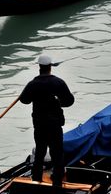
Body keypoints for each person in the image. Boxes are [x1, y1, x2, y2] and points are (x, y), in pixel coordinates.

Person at [21, 53, 75, 186]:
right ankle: (57, 180)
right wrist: (57, 101)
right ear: (50, 67)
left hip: (39, 125)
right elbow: (69, 101)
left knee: (40, 152)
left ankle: (37, 178)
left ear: (39, 67)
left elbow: (24, 100)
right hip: (54, 124)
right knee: (57, 153)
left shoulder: (32, 84)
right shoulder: (58, 82)